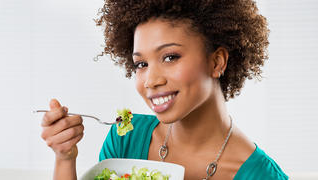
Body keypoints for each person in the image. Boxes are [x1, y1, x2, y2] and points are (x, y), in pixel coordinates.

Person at [40, 0, 288, 179]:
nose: (150, 80)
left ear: (216, 62)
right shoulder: (125, 138)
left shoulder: (261, 175)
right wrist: (65, 158)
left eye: (170, 57)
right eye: (141, 64)